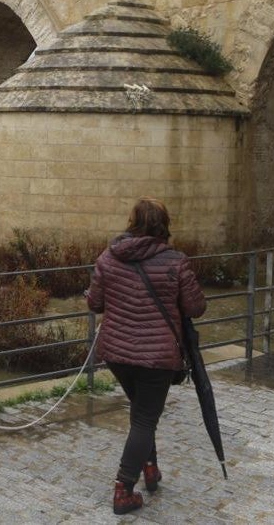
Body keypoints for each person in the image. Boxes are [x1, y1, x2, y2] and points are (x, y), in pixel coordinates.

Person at [85, 197, 206, 516]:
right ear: (164, 225)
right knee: (144, 418)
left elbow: (95, 304)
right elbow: (196, 308)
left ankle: (149, 468)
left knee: (141, 413)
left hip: (117, 353)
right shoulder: (175, 261)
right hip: (156, 358)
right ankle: (123, 490)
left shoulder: (109, 257)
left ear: (131, 222)